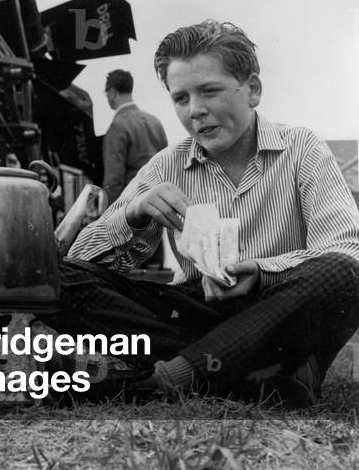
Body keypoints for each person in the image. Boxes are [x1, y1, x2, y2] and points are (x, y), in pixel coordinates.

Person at [60, 20, 359, 406]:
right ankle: (259, 378)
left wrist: (262, 274)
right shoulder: (165, 166)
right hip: (195, 316)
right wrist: (132, 215)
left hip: (282, 315)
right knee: (57, 276)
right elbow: (81, 264)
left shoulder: (302, 148)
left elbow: (347, 251)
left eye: (210, 91)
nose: (196, 111)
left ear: (252, 90)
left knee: (342, 271)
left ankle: (168, 379)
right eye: (181, 98)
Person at [101, 69, 167, 204]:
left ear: (112, 93)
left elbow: (113, 180)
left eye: (106, 93)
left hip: (133, 205)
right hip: (159, 201)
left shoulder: (118, 126)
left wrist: (106, 215)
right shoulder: (155, 122)